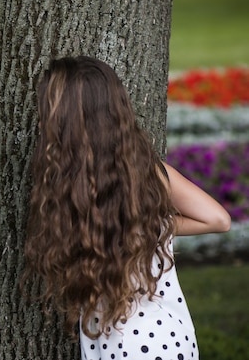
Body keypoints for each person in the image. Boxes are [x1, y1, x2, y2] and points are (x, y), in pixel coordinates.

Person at [23, 56, 231, 359]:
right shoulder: (146, 173)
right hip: (165, 335)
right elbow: (217, 219)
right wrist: (154, 225)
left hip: (122, 341)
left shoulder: (67, 186)